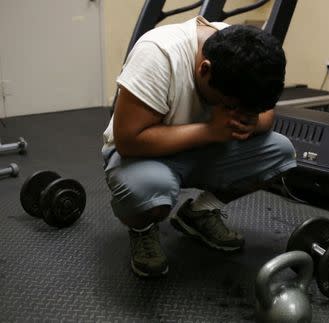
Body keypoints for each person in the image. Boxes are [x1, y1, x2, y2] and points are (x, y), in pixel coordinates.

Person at [101, 16, 297, 277]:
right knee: (152, 190)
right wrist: (210, 131)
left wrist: (251, 122)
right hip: (144, 154)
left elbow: (266, 115)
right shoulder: (158, 55)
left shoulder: (248, 56)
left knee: (281, 152)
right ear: (204, 69)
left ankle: (198, 214)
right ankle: (142, 229)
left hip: (206, 148)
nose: (237, 112)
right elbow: (128, 140)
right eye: (230, 104)